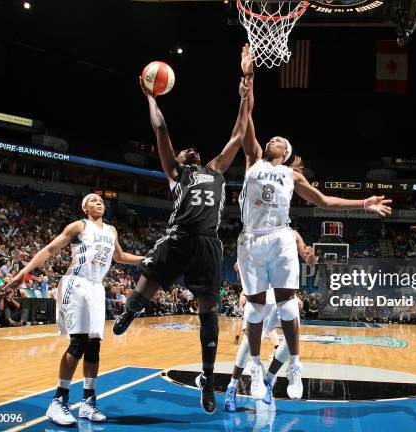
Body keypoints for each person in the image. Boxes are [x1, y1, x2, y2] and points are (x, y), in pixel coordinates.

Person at [238, 44, 393, 400]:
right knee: (257, 308)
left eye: (280, 140)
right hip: (249, 240)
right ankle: (256, 364)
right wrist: (248, 76)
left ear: (287, 154)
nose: (272, 139)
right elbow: (246, 119)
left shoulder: (293, 177)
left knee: (289, 302)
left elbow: (325, 201)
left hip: (279, 237)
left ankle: (295, 365)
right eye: (271, 138)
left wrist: (365, 202)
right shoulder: (252, 161)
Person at [112, 66, 252, 414]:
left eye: (191, 151)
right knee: (150, 278)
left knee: (210, 313)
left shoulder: (217, 169)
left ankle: (207, 381)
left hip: (207, 242)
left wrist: (245, 94)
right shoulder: (177, 174)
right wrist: (150, 98)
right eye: (182, 152)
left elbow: (238, 135)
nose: (187, 152)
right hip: (180, 236)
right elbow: (160, 128)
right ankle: (130, 311)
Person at [4, 193, 144, 426]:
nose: (99, 203)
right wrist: (22, 274)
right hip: (76, 284)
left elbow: (120, 257)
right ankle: (59, 400)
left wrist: (146, 258)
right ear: (85, 208)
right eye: (93, 201)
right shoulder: (79, 226)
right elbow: (49, 249)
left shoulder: (111, 231)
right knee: (78, 342)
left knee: (94, 346)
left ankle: (88, 402)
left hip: (97, 288)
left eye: (101, 202)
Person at [225, 229, 315, 412]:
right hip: (262, 297)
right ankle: (232, 388)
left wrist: (311, 257)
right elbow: (240, 265)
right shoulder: (257, 229)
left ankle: (269, 380)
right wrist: (244, 290)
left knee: (291, 344)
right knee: (247, 345)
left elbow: (306, 259)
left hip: (283, 297)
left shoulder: (293, 234)